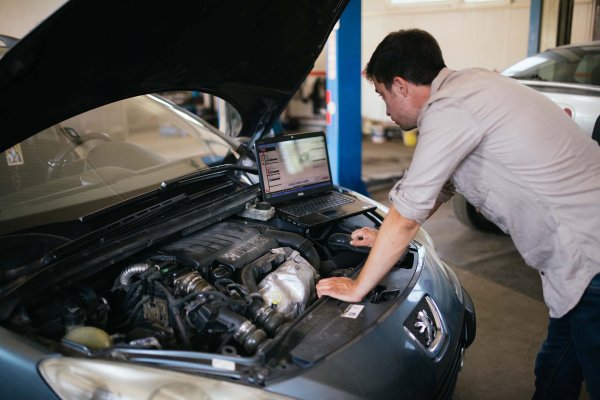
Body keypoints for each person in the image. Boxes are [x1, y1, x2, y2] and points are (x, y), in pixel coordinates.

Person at [315, 29, 600, 400]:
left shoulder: (449, 109)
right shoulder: (474, 84)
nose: (385, 109)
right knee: (556, 367)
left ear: (400, 86)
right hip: (577, 259)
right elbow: (442, 184)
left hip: (590, 256)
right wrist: (383, 233)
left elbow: (407, 214)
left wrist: (357, 286)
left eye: (382, 95)